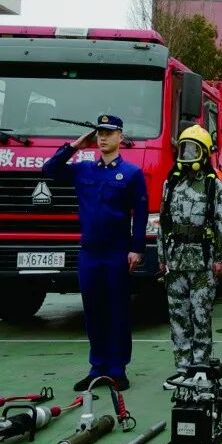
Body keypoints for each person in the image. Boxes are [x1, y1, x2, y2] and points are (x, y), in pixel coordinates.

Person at [43, 114, 148, 391]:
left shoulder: (131, 173)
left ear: (120, 137)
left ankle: (117, 370)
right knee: (93, 311)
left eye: (109, 133)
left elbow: (140, 213)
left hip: (116, 253)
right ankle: (97, 368)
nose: (102, 138)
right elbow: (50, 170)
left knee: (117, 311)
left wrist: (136, 249)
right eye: (99, 133)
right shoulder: (84, 170)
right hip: (90, 253)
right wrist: (75, 145)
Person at [157, 124, 222, 389]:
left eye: (193, 149)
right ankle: (182, 368)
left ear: (204, 153)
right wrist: (162, 257)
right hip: (176, 261)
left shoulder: (212, 185)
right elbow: (163, 222)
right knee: (178, 316)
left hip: (202, 262)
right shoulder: (171, 183)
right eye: (184, 149)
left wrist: (219, 258)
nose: (187, 154)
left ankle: (200, 366)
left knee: (201, 315)